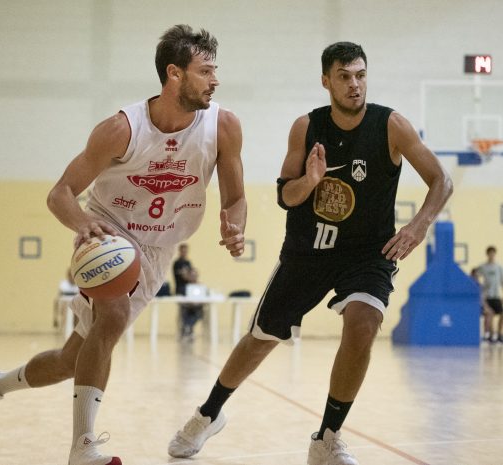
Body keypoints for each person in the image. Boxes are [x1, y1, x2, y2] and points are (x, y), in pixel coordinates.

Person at [0, 24, 246, 465]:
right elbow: (60, 195)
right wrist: (84, 223)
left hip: (160, 249)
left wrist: (234, 227)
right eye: (205, 71)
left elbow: (236, 198)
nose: (215, 80)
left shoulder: (222, 126)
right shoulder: (121, 129)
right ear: (174, 75)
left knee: (74, 358)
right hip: (108, 233)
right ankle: (83, 445)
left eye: (215, 70)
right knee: (114, 311)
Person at [168, 41, 452, 465]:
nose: (354, 85)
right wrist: (312, 180)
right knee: (261, 340)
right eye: (344, 76)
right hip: (309, 249)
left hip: (366, 254)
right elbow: (286, 196)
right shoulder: (307, 127)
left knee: (365, 324)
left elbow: (440, 180)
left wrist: (417, 226)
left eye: (360, 75)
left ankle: (327, 436)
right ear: (326, 81)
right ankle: (207, 414)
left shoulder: (391, 125)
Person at [173, 243, 204, 339]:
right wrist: (191, 277)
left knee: (198, 309)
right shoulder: (177, 263)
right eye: (183, 250)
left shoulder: (188, 263)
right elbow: (186, 277)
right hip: (181, 290)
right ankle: (185, 328)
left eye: (186, 250)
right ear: (180, 251)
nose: (184, 252)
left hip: (191, 291)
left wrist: (194, 279)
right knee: (185, 310)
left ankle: (189, 327)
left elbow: (191, 276)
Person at [475, 246, 503, 343]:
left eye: (493, 253)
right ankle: (490, 335)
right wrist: (480, 284)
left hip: (496, 296)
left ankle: (499, 334)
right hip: (487, 296)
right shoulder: (483, 267)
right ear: (488, 254)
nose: (492, 255)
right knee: (489, 315)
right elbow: (474, 274)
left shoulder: (499, 267)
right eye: (490, 253)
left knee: (501, 314)